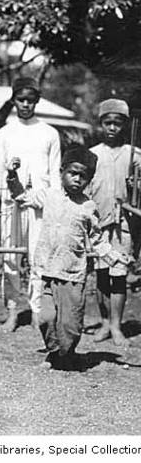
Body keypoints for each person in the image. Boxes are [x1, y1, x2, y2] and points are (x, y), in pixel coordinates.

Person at [33, 145, 130, 370]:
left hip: (73, 274)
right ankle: (54, 353)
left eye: (83, 176)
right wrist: (11, 176)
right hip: (48, 270)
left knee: (71, 324)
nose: (77, 179)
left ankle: (66, 354)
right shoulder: (49, 196)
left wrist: (115, 257)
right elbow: (21, 195)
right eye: (73, 173)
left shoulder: (88, 206)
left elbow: (97, 240)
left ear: (89, 180)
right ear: (62, 171)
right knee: (46, 318)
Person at [0, 77, 61, 332]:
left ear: (37, 101)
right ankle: (13, 311)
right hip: (9, 202)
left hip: (40, 202)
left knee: (39, 257)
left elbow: (56, 174)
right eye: (21, 100)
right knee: (10, 257)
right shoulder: (4, 133)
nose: (26, 105)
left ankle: (37, 311)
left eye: (30, 100)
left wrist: (56, 203)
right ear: (14, 101)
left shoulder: (49, 133)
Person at [88, 98, 141, 346]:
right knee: (101, 273)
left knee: (119, 274)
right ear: (101, 124)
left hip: (124, 223)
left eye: (117, 123)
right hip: (99, 223)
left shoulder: (134, 155)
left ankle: (118, 326)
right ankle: (105, 322)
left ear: (124, 124)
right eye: (107, 123)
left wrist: (135, 185)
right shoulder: (93, 154)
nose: (112, 128)